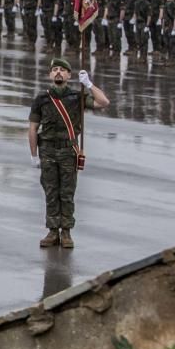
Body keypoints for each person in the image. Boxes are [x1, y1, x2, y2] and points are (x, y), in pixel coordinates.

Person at [28, 58, 110, 249]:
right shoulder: (42, 98)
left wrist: (88, 84)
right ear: (50, 74)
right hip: (47, 149)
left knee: (66, 193)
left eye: (62, 70)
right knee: (50, 191)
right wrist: (33, 155)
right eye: (55, 69)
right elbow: (33, 128)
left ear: (68, 76)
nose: (58, 72)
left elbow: (103, 102)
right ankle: (52, 230)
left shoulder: (77, 96)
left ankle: (66, 232)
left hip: (68, 151)